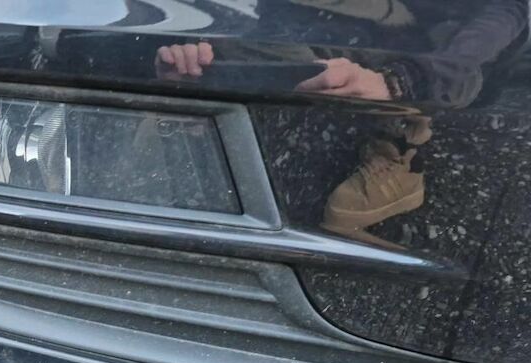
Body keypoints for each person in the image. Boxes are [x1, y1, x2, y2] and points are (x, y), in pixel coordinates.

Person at [156, 0, 528, 240]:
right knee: (219, 56)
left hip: (418, 47)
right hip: (307, 32)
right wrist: (202, 53)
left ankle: (403, 141)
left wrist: (401, 82)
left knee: (456, 67)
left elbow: (500, 19)